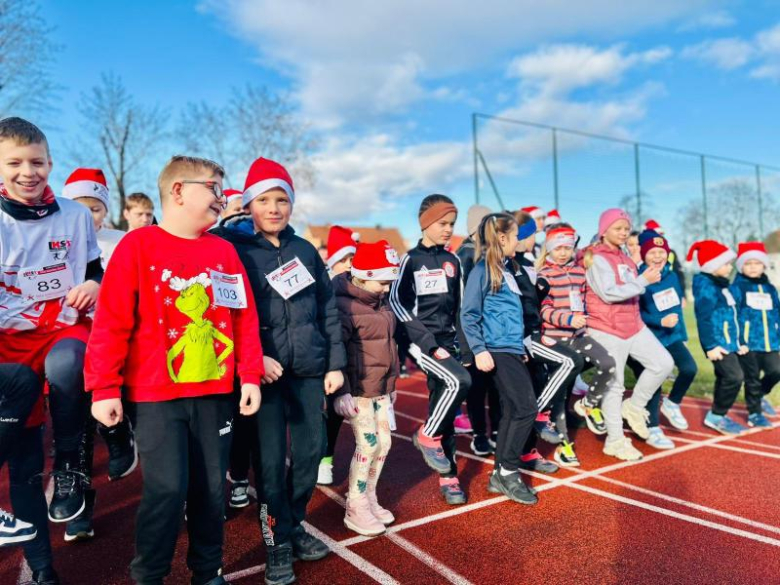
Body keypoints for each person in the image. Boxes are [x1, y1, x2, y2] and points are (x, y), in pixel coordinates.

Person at [86, 155, 263, 585]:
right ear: (179, 190)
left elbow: (243, 318)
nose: (223, 198)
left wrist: (251, 373)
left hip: (214, 396)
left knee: (210, 492)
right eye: (214, 188)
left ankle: (208, 571)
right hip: (155, 398)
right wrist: (104, 387)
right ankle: (149, 574)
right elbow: (111, 320)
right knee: (166, 491)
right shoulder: (138, 245)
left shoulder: (224, 251)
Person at [212, 157, 346, 585]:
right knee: (269, 465)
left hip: (308, 369)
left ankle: (290, 524)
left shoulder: (305, 250)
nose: (274, 208)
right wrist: (250, 361)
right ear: (249, 204)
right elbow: (228, 312)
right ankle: (277, 546)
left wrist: (335, 363)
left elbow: (327, 308)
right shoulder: (233, 249)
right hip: (263, 373)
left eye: (281, 199)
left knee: (310, 453)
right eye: (264, 200)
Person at [0, 117, 103, 528]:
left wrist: (95, 284)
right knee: (21, 438)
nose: (28, 172)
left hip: (64, 326)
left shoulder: (76, 215)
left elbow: (95, 268)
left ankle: (69, 467)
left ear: (51, 164)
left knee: (67, 365)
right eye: (15, 163)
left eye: (38, 162)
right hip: (10, 337)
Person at [60, 167, 138, 542]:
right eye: (79, 206)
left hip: (114, 345)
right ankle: (81, 506)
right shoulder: (54, 236)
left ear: (105, 210)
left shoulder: (121, 242)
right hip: (71, 342)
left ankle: (120, 433)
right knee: (78, 430)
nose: (87, 216)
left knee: (111, 409)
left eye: (95, 207)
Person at [389, 194, 471, 506]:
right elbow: (397, 304)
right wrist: (428, 344)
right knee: (459, 382)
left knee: (446, 405)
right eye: (442, 223)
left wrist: (464, 348)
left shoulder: (454, 261)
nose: (448, 229)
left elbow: (461, 308)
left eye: (452, 223)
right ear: (426, 224)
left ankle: (449, 476)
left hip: (448, 342)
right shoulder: (410, 260)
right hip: (420, 342)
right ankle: (425, 434)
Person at [584, 208, 674, 461]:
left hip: (632, 323)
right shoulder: (595, 257)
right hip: (607, 327)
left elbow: (629, 287)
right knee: (615, 385)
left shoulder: (623, 256)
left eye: (626, 228)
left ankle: (634, 407)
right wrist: (643, 280)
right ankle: (614, 440)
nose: (623, 233)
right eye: (618, 228)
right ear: (604, 230)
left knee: (663, 363)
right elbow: (608, 292)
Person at [461, 212, 538, 504]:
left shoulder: (508, 268)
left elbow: (512, 313)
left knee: (513, 410)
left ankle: (501, 474)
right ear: (502, 238)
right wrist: (479, 349)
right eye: (515, 236)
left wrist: (523, 346)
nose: (518, 240)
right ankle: (507, 472)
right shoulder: (482, 270)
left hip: (512, 348)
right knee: (526, 408)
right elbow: (468, 313)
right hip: (495, 349)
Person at [332, 240, 401, 535]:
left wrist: (393, 381)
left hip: (381, 388)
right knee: (368, 444)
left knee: (384, 443)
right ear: (365, 276)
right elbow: (337, 348)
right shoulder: (343, 304)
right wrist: (341, 391)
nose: (386, 288)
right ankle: (355, 504)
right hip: (358, 390)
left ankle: (369, 496)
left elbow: (390, 345)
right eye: (382, 282)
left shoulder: (380, 302)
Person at [538, 225, 615, 464]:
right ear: (549, 248)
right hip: (556, 340)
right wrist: (569, 319)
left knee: (607, 363)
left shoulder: (581, 272)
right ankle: (564, 445)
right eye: (558, 248)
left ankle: (588, 404)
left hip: (579, 336)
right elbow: (543, 310)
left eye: (567, 248)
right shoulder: (543, 275)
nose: (563, 253)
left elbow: (586, 300)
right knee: (560, 395)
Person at [512, 213, 583, 469]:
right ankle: (509, 460)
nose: (535, 239)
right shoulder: (515, 268)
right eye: (531, 235)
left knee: (543, 386)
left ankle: (528, 450)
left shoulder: (528, 266)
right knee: (523, 399)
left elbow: (533, 304)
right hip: (520, 342)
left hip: (534, 338)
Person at [635, 230, 697, 449]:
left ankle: (672, 404)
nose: (658, 256)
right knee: (656, 381)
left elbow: (676, 309)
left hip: (673, 338)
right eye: (652, 252)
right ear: (644, 255)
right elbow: (636, 313)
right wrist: (660, 321)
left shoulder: (671, 275)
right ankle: (652, 427)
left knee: (689, 369)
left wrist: (683, 334)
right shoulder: (639, 278)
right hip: (652, 339)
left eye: (662, 251)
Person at [0, 363, 59, 585]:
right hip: (23, 404)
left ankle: (43, 569)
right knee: (26, 484)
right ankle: (44, 572)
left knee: (26, 483)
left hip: (20, 402)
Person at [688, 239, 749, 435]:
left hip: (730, 343)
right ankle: (717, 415)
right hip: (718, 344)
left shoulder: (722, 285)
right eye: (726, 263)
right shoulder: (707, 288)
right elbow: (704, 319)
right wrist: (711, 346)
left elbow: (733, 317)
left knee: (726, 377)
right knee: (734, 377)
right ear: (713, 265)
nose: (730, 267)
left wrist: (740, 342)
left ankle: (717, 415)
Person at [315, 225, 360, 486]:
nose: (348, 264)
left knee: (339, 413)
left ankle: (327, 458)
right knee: (324, 411)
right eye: (343, 259)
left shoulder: (360, 288)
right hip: (327, 358)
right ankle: (322, 459)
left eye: (352, 259)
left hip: (352, 360)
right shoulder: (325, 287)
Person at [457, 204, 499, 455]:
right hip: (473, 333)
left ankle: (494, 431)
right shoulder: (465, 256)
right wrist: (465, 345)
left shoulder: (492, 254)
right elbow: (462, 304)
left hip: (494, 332)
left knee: (495, 385)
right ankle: (479, 434)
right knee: (477, 387)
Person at [730, 242, 779, 427]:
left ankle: (758, 395)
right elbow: (732, 314)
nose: (752, 267)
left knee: (776, 371)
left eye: (757, 263)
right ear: (741, 265)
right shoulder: (737, 287)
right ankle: (754, 414)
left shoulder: (770, 288)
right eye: (748, 263)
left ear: (764, 265)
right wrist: (739, 340)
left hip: (770, 342)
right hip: (748, 344)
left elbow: (777, 313)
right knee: (752, 379)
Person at [62, 168, 125, 266]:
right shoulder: (55, 242)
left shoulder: (121, 241)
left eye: (95, 210)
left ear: (105, 212)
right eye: (79, 210)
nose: (88, 216)